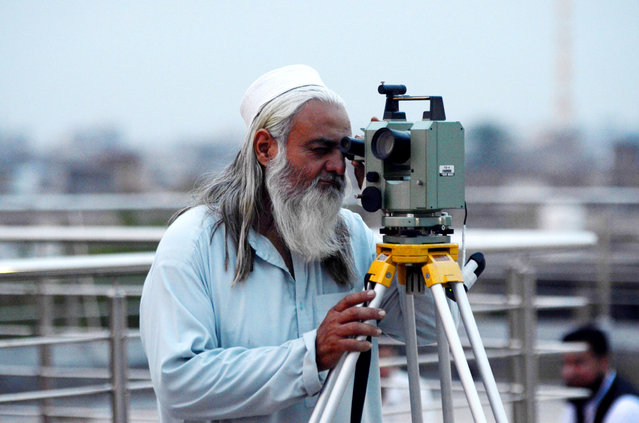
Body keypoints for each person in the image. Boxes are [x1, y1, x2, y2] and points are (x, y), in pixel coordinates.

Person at [140, 64, 455, 422]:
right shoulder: (193, 244)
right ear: (265, 148)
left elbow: (431, 328)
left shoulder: (352, 236)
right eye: (320, 150)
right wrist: (311, 356)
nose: (338, 166)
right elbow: (179, 384)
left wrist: (403, 214)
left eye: (346, 150)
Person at [561, 325, 639, 423]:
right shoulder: (579, 397)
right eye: (566, 363)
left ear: (603, 362)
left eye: (579, 363)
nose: (570, 371)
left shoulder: (626, 407)